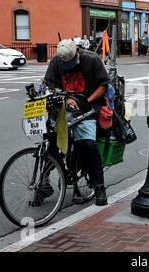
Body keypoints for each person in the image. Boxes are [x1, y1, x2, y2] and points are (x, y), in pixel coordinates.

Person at [44, 39, 110, 206]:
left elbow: (103, 85)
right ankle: (43, 185)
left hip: (87, 108)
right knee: (48, 144)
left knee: (88, 144)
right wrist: (64, 100)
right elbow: (49, 85)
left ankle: (99, 187)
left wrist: (86, 102)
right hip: (63, 109)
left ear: (78, 52)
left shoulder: (92, 59)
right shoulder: (56, 61)